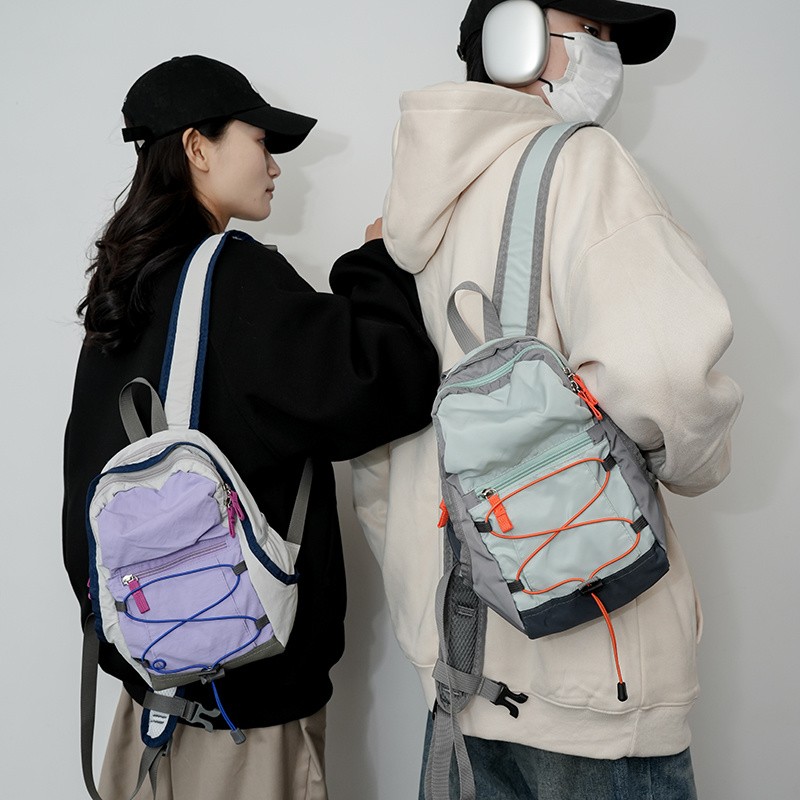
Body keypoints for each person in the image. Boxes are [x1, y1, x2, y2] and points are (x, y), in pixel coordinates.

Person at [351, 1, 743, 798]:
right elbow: (670, 376)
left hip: (459, 675)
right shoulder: (582, 162)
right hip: (594, 688)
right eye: (590, 33)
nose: (606, 54)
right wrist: (696, 463)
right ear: (511, 37)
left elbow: (381, 461)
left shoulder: (403, 222)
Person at [62, 54, 440, 800]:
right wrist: (376, 266)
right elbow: (385, 387)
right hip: (241, 729)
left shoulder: (122, 288)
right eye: (261, 141)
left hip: (146, 708)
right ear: (197, 147)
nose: (274, 165)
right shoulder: (234, 277)